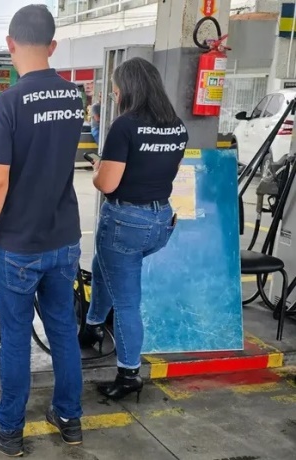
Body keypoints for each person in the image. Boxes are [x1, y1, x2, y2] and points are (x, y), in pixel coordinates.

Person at [0, 4, 86, 456]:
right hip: (64, 238)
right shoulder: (74, 97)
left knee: (16, 339)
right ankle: (69, 419)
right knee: (63, 331)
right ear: (53, 46)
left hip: (18, 245)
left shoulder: (8, 103)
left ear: (10, 44)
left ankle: (9, 431)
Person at [79, 57, 188, 401]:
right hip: (161, 220)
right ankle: (92, 326)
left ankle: (129, 374)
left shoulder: (125, 126)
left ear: (128, 89)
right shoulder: (176, 126)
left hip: (126, 222)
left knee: (127, 303)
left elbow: (107, 185)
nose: (114, 95)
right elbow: (170, 170)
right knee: (101, 266)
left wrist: (98, 169)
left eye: (115, 90)